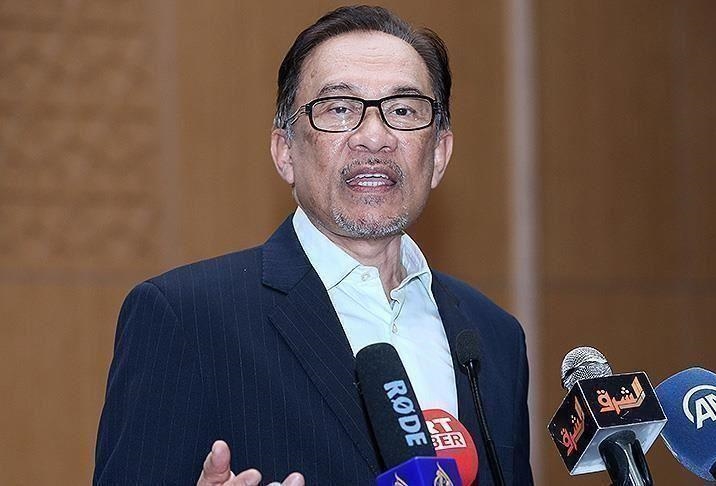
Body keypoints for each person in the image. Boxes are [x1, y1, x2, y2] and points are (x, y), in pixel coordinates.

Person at [94, 5, 532, 485]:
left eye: (403, 110)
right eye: (339, 109)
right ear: (285, 151)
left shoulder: (492, 337)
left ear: (440, 154)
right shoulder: (186, 318)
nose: (375, 137)